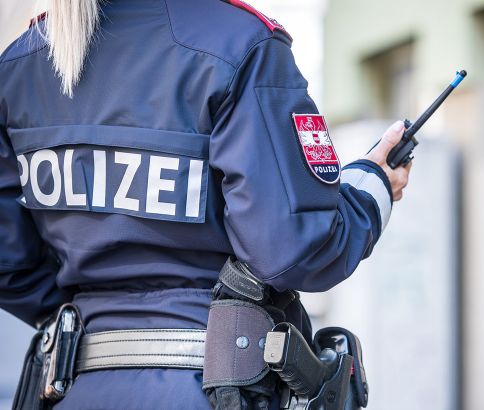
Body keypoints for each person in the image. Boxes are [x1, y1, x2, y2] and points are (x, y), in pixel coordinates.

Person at [0, 0, 412, 408]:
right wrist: (371, 189)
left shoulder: (21, 64)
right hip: (213, 389)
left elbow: (8, 263)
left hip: (79, 389)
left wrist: (94, 317)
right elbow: (294, 250)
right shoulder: (240, 44)